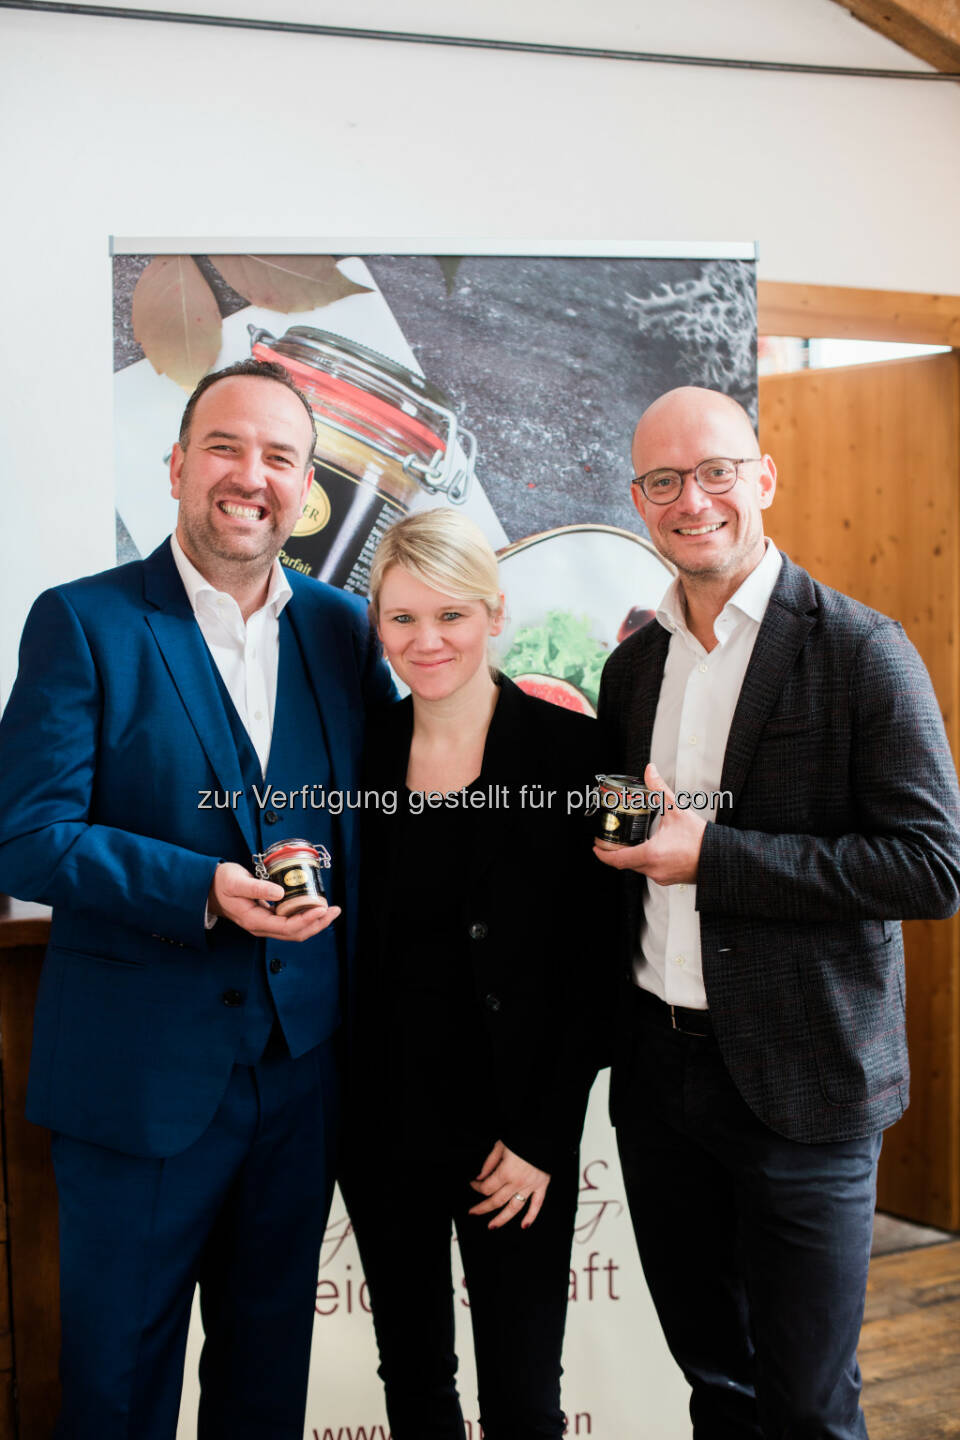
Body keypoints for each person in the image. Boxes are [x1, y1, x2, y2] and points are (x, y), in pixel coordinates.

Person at [0, 359, 395, 1440]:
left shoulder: (345, 631)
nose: (249, 476)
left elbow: (390, 810)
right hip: (137, 1085)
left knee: (266, 1386)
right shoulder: (82, 623)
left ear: (306, 488)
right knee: (117, 1391)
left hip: (301, 1077)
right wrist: (203, 890)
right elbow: (25, 839)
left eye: (279, 457)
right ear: (177, 466)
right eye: (225, 447)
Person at [594, 385, 960, 1439]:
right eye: (664, 481)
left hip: (806, 1089)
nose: (691, 498)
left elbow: (929, 868)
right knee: (716, 1381)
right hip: (663, 1085)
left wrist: (714, 856)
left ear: (763, 479)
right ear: (639, 499)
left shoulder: (858, 649)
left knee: (807, 1407)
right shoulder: (635, 666)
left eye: (715, 471)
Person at [342, 509, 607, 1440]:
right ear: (376, 623)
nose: (427, 642)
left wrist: (541, 1136)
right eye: (402, 619)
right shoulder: (359, 752)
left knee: (524, 1397)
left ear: (496, 615)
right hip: (381, 1125)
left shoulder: (574, 753)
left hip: (515, 1137)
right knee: (412, 1382)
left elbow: (597, 963)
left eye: (451, 616)